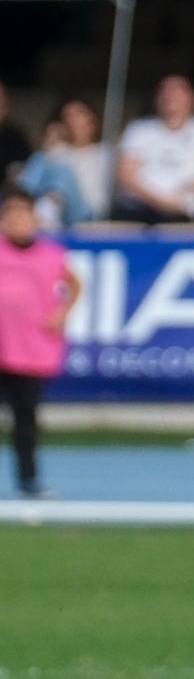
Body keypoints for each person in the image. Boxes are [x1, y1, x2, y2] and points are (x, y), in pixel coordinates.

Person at [0, 185, 80, 498]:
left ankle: (28, 480)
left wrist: (62, 314)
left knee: (25, 420)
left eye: (24, 213)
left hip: (30, 349)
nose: (18, 220)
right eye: (11, 213)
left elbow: (75, 284)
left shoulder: (51, 255)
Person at [112, 75, 194, 225]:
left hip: (189, 207)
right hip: (140, 208)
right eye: (166, 92)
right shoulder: (139, 130)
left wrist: (192, 188)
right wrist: (161, 202)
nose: (170, 97)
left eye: (178, 92)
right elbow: (126, 175)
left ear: (192, 98)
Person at [22, 100, 112, 230]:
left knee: (64, 170)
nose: (73, 121)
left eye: (78, 115)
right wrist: (51, 145)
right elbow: (31, 181)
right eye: (68, 116)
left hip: (87, 212)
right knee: (39, 160)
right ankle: (27, 210)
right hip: (54, 208)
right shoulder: (57, 151)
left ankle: (44, 213)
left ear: (92, 120)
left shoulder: (104, 152)